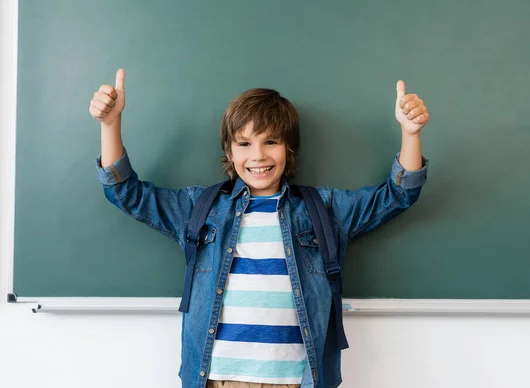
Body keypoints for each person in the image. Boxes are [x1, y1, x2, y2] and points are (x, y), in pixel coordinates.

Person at [89, 68, 429, 388]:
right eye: (245, 143)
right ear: (229, 149)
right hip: (218, 377)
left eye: (271, 142)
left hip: (298, 378)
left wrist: (410, 133)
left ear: (289, 148)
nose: (258, 155)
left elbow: (399, 194)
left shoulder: (323, 210)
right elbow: (126, 192)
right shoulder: (201, 208)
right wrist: (110, 124)